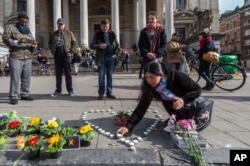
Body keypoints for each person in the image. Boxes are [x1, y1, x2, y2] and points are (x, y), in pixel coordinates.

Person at [116, 61, 201, 136]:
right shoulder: (149, 87)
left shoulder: (177, 77)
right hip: (172, 108)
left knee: (190, 124)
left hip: (189, 104)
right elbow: (142, 106)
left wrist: (183, 100)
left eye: (152, 77)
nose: (149, 81)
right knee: (178, 125)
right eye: (147, 77)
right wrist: (128, 126)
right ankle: (176, 116)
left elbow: (197, 89)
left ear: (161, 74)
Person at [3, 13, 38, 105]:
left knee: (26, 77)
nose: (24, 24)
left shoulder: (28, 31)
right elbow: (5, 39)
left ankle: (25, 94)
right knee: (15, 77)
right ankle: (13, 96)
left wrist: (34, 46)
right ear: (18, 20)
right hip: (16, 56)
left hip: (28, 56)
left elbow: (32, 41)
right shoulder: (11, 28)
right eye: (22, 22)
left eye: (26, 23)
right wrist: (17, 41)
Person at [90, 19, 120, 100]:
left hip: (111, 57)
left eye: (106, 27)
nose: (105, 28)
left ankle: (109, 92)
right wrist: (99, 46)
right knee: (101, 76)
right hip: (101, 57)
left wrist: (116, 54)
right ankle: (101, 93)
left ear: (109, 26)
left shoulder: (112, 33)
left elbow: (117, 46)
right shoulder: (97, 33)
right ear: (100, 26)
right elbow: (91, 45)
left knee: (110, 76)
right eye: (103, 27)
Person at [48, 18, 78, 97]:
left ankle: (70, 90)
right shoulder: (54, 34)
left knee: (68, 74)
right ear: (57, 24)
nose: (60, 25)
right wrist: (52, 50)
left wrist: (71, 51)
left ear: (64, 25)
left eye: (61, 24)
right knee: (58, 74)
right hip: (57, 56)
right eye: (59, 24)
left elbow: (75, 43)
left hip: (66, 55)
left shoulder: (69, 33)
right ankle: (58, 90)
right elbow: (50, 43)